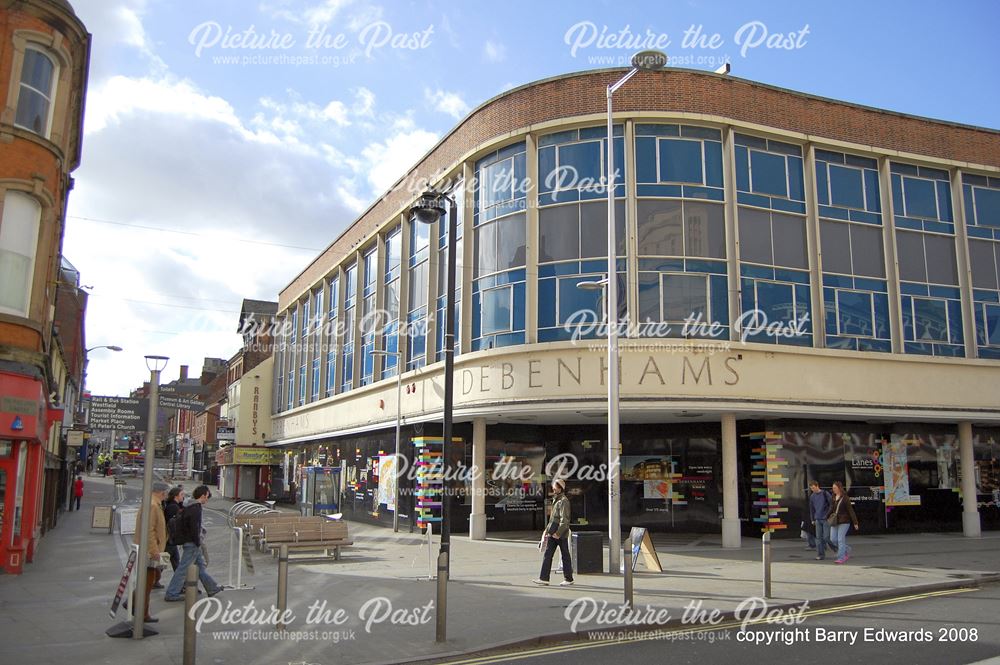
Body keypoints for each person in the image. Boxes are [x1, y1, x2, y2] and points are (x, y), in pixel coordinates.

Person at [164, 485, 223, 601]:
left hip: (191, 542)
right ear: (202, 496)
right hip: (192, 543)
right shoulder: (195, 508)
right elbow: (194, 527)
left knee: (200, 567)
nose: (207, 499)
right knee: (183, 569)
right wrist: (197, 542)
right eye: (206, 497)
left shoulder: (190, 505)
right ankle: (171, 593)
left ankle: (212, 588)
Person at [132, 481, 169, 623]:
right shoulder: (153, 505)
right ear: (162, 492)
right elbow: (149, 530)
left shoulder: (153, 503)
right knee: (147, 583)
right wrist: (154, 551)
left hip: (148, 549)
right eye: (165, 492)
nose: (166, 495)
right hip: (149, 551)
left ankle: (134, 603)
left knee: (147, 581)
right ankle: (142, 614)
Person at [533, 479, 574, 587]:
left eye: (555, 487)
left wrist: (558, 533)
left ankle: (568, 578)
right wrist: (546, 531)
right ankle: (544, 578)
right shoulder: (557, 500)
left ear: (560, 488)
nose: (553, 488)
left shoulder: (563, 501)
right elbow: (552, 519)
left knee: (565, 555)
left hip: (559, 534)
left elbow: (564, 520)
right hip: (553, 532)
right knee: (548, 554)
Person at [827, 480, 860, 564]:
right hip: (835, 521)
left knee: (840, 540)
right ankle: (846, 549)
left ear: (839, 488)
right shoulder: (833, 497)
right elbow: (831, 508)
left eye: (835, 488)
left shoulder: (845, 498)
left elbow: (850, 510)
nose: (833, 489)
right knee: (833, 539)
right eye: (833, 488)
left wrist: (855, 522)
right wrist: (825, 516)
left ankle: (841, 557)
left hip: (844, 521)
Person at [808, 481, 835, 560]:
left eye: (813, 488)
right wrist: (812, 519)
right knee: (818, 538)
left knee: (826, 537)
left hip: (825, 518)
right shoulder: (812, 496)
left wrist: (828, 514)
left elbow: (832, 504)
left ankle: (836, 548)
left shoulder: (824, 493)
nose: (812, 489)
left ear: (817, 486)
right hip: (817, 519)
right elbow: (811, 509)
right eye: (811, 488)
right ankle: (820, 555)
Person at [163, 486, 184, 572]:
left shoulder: (175, 505)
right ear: (176, 496)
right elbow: (173, 524)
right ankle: (153, 580)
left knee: (175, 561)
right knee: (164, 561)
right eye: (182, 494)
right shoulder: (173, 507)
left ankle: (180, 582)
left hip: (171, 540)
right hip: (170, 539)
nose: (183, 496)